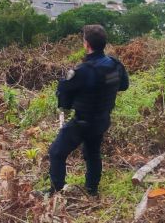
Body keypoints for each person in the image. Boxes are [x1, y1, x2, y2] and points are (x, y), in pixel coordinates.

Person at [47, 24, 129, 196]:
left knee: (56, 152)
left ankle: (55, 192)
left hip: (83, 122)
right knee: (92, 153)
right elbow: (123, 86)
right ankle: (92, 190)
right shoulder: (115, 64)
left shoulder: (83, 70)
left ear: (86, 44)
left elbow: (63, 95)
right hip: (103, 120)